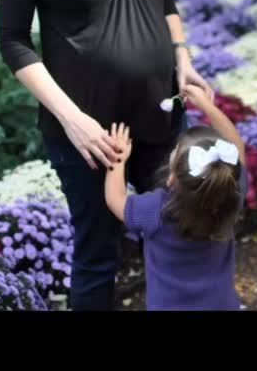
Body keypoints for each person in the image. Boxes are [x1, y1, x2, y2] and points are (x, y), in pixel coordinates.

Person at [0, 0, 213, 311]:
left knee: (182, 237)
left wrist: (182, 55)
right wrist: (72, 121)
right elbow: (13, 40)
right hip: (90, 138)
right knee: (99, 258)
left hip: (160, 116)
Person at [104, 85, 248, 311]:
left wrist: (118, 158)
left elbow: (115, 200)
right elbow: (237, 147)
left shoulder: (156, 210)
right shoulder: (230, 196)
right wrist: (207, 106)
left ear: (172, 178)